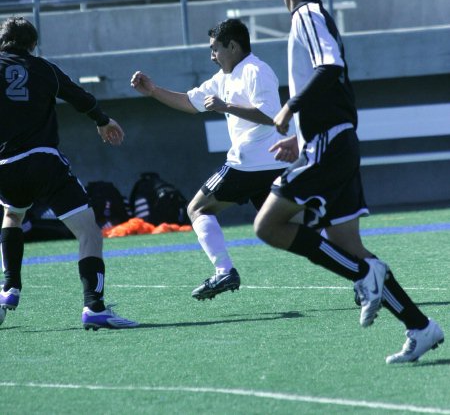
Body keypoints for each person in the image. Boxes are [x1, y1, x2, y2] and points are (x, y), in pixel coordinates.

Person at [254, 0, 444, 364]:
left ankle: (363, 276)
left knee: (267, 225)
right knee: (346, 243)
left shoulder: (305, 13)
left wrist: (289, 109)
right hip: (333, 142)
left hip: (330, 142)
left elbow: (330, 66)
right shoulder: (315, 13)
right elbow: (332, 77)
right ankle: (419, 326)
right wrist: (302, 138)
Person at [131, 18, 287, 300]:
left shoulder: (255, 70)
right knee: (285, 229)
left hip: (250, 162)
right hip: (268, 164)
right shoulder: (224, 78)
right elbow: (190, 103)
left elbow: (271, 116)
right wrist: (153, 91)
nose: (211, 55)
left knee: (197, 208)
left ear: (233, 46)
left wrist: (227, 106)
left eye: (215, 49)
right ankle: (357, 269)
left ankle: (224, 271)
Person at [0, 16, 137, 330]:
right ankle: (95, 307)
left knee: (12, 215)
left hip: (5, 167)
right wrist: (102, 120)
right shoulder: (43, 68)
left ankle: (9, 288)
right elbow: (77, 95)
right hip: (43, 161)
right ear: (33, 45)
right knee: (89, 232)